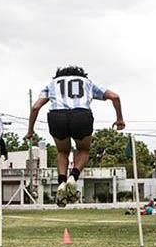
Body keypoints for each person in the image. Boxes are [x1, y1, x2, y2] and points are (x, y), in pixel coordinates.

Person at [26, 66, 125, 207]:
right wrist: (120, 119)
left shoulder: (52, 84)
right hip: (81, 115)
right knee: (83, 150)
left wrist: (30, 130)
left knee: (62, 151)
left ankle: (61, 182)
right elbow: (115, 97)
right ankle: (73, 177)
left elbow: (35, 107)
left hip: (57, 116)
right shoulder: (87, 82)